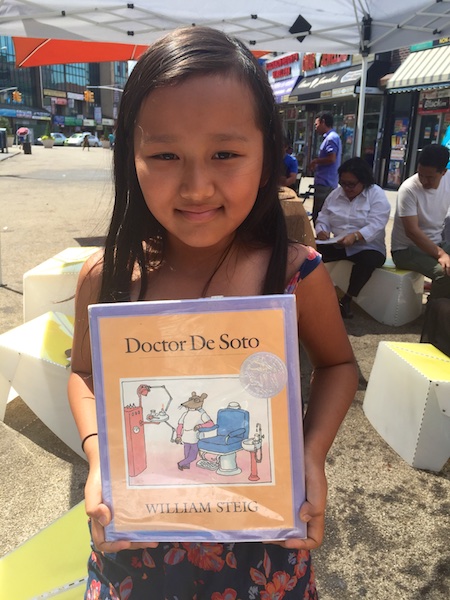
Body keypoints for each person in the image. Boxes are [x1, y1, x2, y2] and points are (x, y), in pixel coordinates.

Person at [68, 26, 358, 600]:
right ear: (131, 158)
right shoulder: (108, 279)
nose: (197, 185)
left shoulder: (295, 274)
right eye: (165, 154)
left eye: (225, 154)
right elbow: (85, 373)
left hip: (263, 549)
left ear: (267, 154)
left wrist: (310, 455)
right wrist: (101, 458)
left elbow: (338, 365)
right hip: (138, 553)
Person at [315, 157, 391, 318]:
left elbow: (377, 224)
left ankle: (347, 299)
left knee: (369, 261)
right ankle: (316, 295)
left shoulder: (376, 195)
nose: (346, 188)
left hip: (368, 246)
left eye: (351, 184)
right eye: (343, 183)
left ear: (363, 182)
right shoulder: (336, 194)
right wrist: (322, 230)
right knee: (311, 255)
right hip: (338, 243)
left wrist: (356, 236)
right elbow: (324, 216)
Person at [391, 144, 450, 300]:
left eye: (430, 177)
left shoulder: (448, 180)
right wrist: (442, 254)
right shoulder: (409, 189)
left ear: (443, 172)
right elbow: (412, 232)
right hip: (406, 250)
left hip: (436, 243)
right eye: (420, 174)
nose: (423, 180)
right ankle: (435, 317)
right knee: (444, 275)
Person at [309, 111, 342, 224]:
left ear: (323, 122)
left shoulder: (331, 139)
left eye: (316, 124)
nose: (316, 128)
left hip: (325, 183)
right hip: (326, 182)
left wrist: (315, 161)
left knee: (319, 216)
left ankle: (321, 240)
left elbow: (331, 158)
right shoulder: (331, 137)